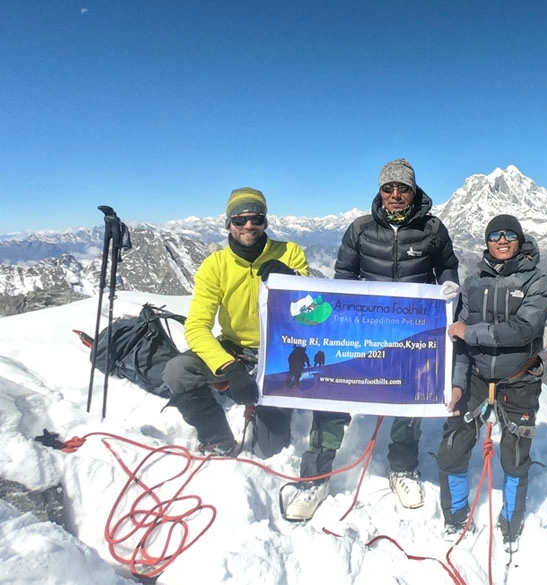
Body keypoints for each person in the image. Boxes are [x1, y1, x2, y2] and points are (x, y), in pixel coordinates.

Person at [292, 158, 459, 516]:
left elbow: (447, 265)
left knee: (412, 396)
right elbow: (343, 275)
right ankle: (315, 475)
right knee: (334, 388)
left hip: (414, 329)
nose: (395, 194)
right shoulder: (360, 229)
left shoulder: (433, 229)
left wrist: (449, 286)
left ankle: (402, 467)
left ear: (414, 191)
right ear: (380, 191)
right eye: (388, 188)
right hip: (365, 329)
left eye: (403, 188)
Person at [162, 187, 309, 458]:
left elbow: (313, 311)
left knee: (270, 448)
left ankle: (266, 403)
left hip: (279, 352)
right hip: (234, 351)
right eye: (240, 220)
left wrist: (293, 279)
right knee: (178, 371)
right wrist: (229, 367)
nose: (249, 225)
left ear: (266, 221)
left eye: (257, 218)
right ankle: (216, 437)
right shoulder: (215, 265)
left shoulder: (289, 252)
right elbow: (196, 327)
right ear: (228, 224)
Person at [438, 214, 547, 553]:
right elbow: (458, 340)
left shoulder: (537, 281)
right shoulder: (473, 283)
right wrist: (458, 384)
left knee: (515, 455)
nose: (502, 240)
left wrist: (471, 333)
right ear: (487, 242)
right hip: (474, 378)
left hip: (518, 381)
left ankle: (511, 521)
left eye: (509, 235)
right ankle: (456, 514)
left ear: (519, 239)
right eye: (494, 235)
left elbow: (524, 328)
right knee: (452, 448)